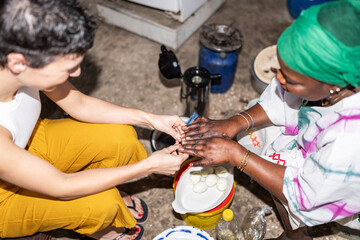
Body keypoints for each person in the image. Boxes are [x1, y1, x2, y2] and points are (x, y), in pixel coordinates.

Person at [0, 0, 188, 239]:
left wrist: (151, 119)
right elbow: (62, 186)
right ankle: (105, 228)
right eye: (68, 67)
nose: (77, 73)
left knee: (120, 136)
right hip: (4, 197)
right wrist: (148, 166)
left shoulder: (22, 55)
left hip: (32, 141)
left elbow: (78, 103)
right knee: (101, 204)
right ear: (19, 62)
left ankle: (105, 187)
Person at [179, 0, 360, 239]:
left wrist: (237, 156)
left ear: (334, 84)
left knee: (274, 174)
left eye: (292, 80)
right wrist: (235, 122)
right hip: (319, 143)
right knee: (257, 141)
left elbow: (305, 193)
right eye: (280, 69)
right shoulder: (334, 75)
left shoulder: (349, 143)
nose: (279, 80)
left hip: (337, 184)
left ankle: (297, 236)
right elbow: (281, 101)